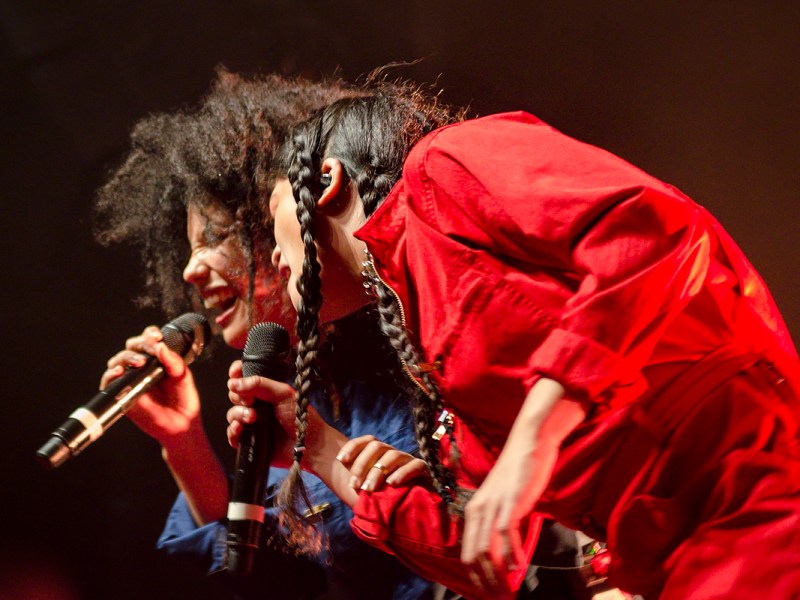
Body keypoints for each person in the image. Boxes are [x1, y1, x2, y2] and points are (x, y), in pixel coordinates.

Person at [226, 81, 800, 599]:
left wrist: (530, 444)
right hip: (674, 558)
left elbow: (648, 227)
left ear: (325, 181)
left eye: (273, 211)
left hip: (746, 494)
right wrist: (319, 448)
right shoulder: (423, 332)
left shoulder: (441, 167)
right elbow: (492, 564)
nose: (274, 257)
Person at [92, 69, 438, 599]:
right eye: (187, 249)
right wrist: (182, 442)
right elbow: (269, 582)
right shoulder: (289, 406)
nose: (190, 270)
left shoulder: (419, 356)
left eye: (216, 238)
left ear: (285, 221)